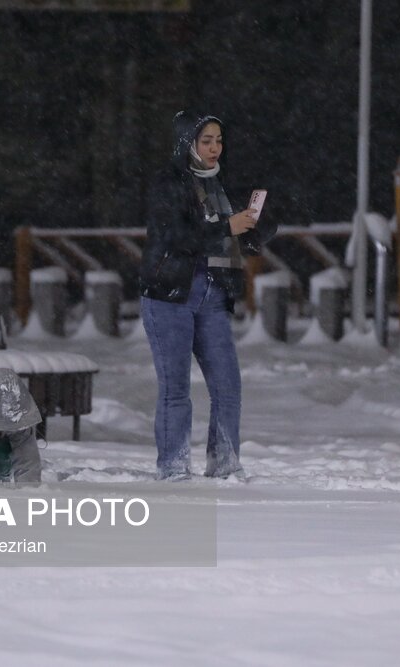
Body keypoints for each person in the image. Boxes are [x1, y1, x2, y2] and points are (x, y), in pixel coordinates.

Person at [139, 111, 276, 480]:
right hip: (169, 293)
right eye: (206, 141)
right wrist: (226, 226)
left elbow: (238, 232)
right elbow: (176, 236)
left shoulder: (223, 183)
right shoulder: (169, 182)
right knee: (176, 389)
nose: (215, 148)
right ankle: (173, 466)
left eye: (218, 140)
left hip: (214, 293)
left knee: (228, 385)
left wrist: (253, 226)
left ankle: (225, 464)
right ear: (188, 144)